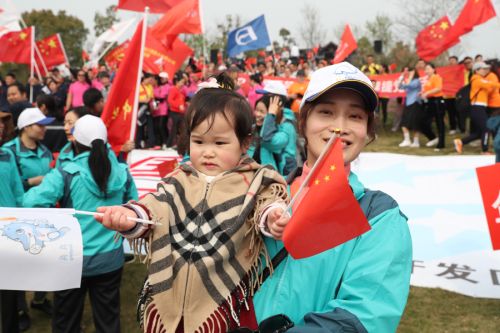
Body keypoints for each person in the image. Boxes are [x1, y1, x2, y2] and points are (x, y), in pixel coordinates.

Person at [96, 73, 290, 333]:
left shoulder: (254, 181)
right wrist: (129, 217)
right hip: (171, 296)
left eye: (220, 143)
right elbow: (153, 207)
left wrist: (273, 216)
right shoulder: (179, 179)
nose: (208, 151)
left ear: (244, 143)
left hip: (223, 305)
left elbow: (267, 205)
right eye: (199, 141)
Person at [253, 62, 412, 333]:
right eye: (326, 112)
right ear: (303, 123)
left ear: (367, 131)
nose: (340, 127)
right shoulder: (261, 195)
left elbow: (364, 315)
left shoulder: (380, 216)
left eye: (355, 116)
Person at [23, 115, 138, 333]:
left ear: (75, 141)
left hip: (70, 260)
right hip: (111, 259)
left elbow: (31, 201)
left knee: (66, 322)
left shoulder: (66, 171)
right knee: (108, 322)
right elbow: (134, 206)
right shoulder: (122, 171)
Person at [2, 107, 55, 331]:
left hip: (34, 215)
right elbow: (18, 185)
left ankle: (38, 299)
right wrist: (32, 183)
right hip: (15, 218)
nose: (44, 128)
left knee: (38, 260)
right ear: (25, 127)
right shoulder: (10, 151)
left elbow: (14, 188)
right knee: (14, 271)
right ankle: (20, 308)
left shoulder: (45, 151)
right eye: (39, 124)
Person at [0, 110, 24, 333]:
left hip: (9, 232)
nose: (0, 126)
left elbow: (18, 192)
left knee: (8, 292)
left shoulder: (7, 155)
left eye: (1, 122)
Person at [248, 81, 298, 176]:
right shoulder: (264, 124)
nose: (263, 99)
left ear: (276, 102)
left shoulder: (286, 125)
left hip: (281, 179)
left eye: (267, 97)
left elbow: (267, 140)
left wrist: (271, 114)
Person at [454, 62, 500, 154]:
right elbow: (491, 85)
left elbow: (490, 88)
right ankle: (485, 150)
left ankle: (461, 142)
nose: (485, 70)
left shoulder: (481, 79)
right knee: (486, 129)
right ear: (477, 70)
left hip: (480, 108)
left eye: (486, 68)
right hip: (477, 108)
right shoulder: (476, 79)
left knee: (480, 132)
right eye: (483, 69)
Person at [420, 63, 445, 150]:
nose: (426, 71)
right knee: (423, 121)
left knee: (439, 123)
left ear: (433, 69)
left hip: (437, 100)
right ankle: (433, 138)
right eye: (425, 69)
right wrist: (422, 93)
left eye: (428, 68)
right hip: (430, 102)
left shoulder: (436, 77)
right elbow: (427, 90)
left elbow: (438, 88)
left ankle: (441, 144)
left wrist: (427, 93)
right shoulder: (428, 79)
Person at [398, 67, 422, 147]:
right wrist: (402, 77)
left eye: (411, 71)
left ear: (415, 72)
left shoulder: (417, 81)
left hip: (415, 102)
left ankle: (416, 142)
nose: (409, 73)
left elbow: (410, 86)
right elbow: (400, 86)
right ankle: (407, 140)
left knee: (415, 123)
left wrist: (409, 78)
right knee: (404, 122)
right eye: (409, 71)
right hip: (408, 103)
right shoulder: (409, 80)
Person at [167, 71, 186, 148]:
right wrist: (179, 106)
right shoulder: (173, 89)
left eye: (183, 83)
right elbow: (170, 100)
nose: (182, 84)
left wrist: (183, 107)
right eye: (181, 82)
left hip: (180, 112)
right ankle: (169, 145)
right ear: (177, 82)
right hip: (174, 112)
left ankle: (178, 144)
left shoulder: (180, 90)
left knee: (180, 129)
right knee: (174, 129)